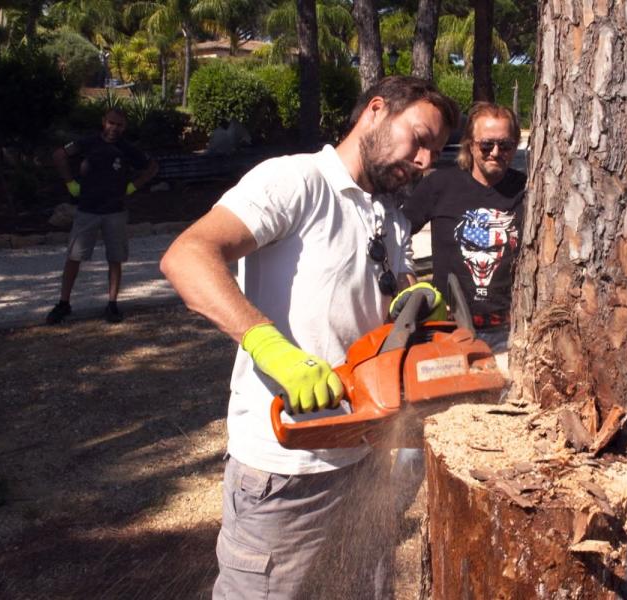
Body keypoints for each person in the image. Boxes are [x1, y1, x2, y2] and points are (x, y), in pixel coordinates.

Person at [159, 76, 459, 599]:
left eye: (435, 150)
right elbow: (187, 255)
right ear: (376, 111)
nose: (425, 160)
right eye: (420, 138)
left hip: (365, 455)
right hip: (286, 471)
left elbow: (385, 288)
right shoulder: (294, 180)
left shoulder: (388, 213)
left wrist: (411, 299)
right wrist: (274, 350)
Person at [403, 102, 526, 353]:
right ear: (470, 143)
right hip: (448, 329)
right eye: (486, 144)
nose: (495, 152)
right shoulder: (440, 185)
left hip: (511, 331)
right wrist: (410, 284)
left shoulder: (527, 189)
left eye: (505, 145)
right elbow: (398, 234)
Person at [46, 108, 159, 324]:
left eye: (119, 125)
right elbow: (59, 155)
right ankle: (63, 303)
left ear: (124, 127)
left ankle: (112, 304)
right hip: (87, 209)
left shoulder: (127, 149)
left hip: (115, 211)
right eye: (111, 123)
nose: (114, 128)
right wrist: (71, 184)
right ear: (103, 122)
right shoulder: (86, 143)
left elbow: (152, 167)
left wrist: (132, 187)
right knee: (74, 257)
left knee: (115, 258)